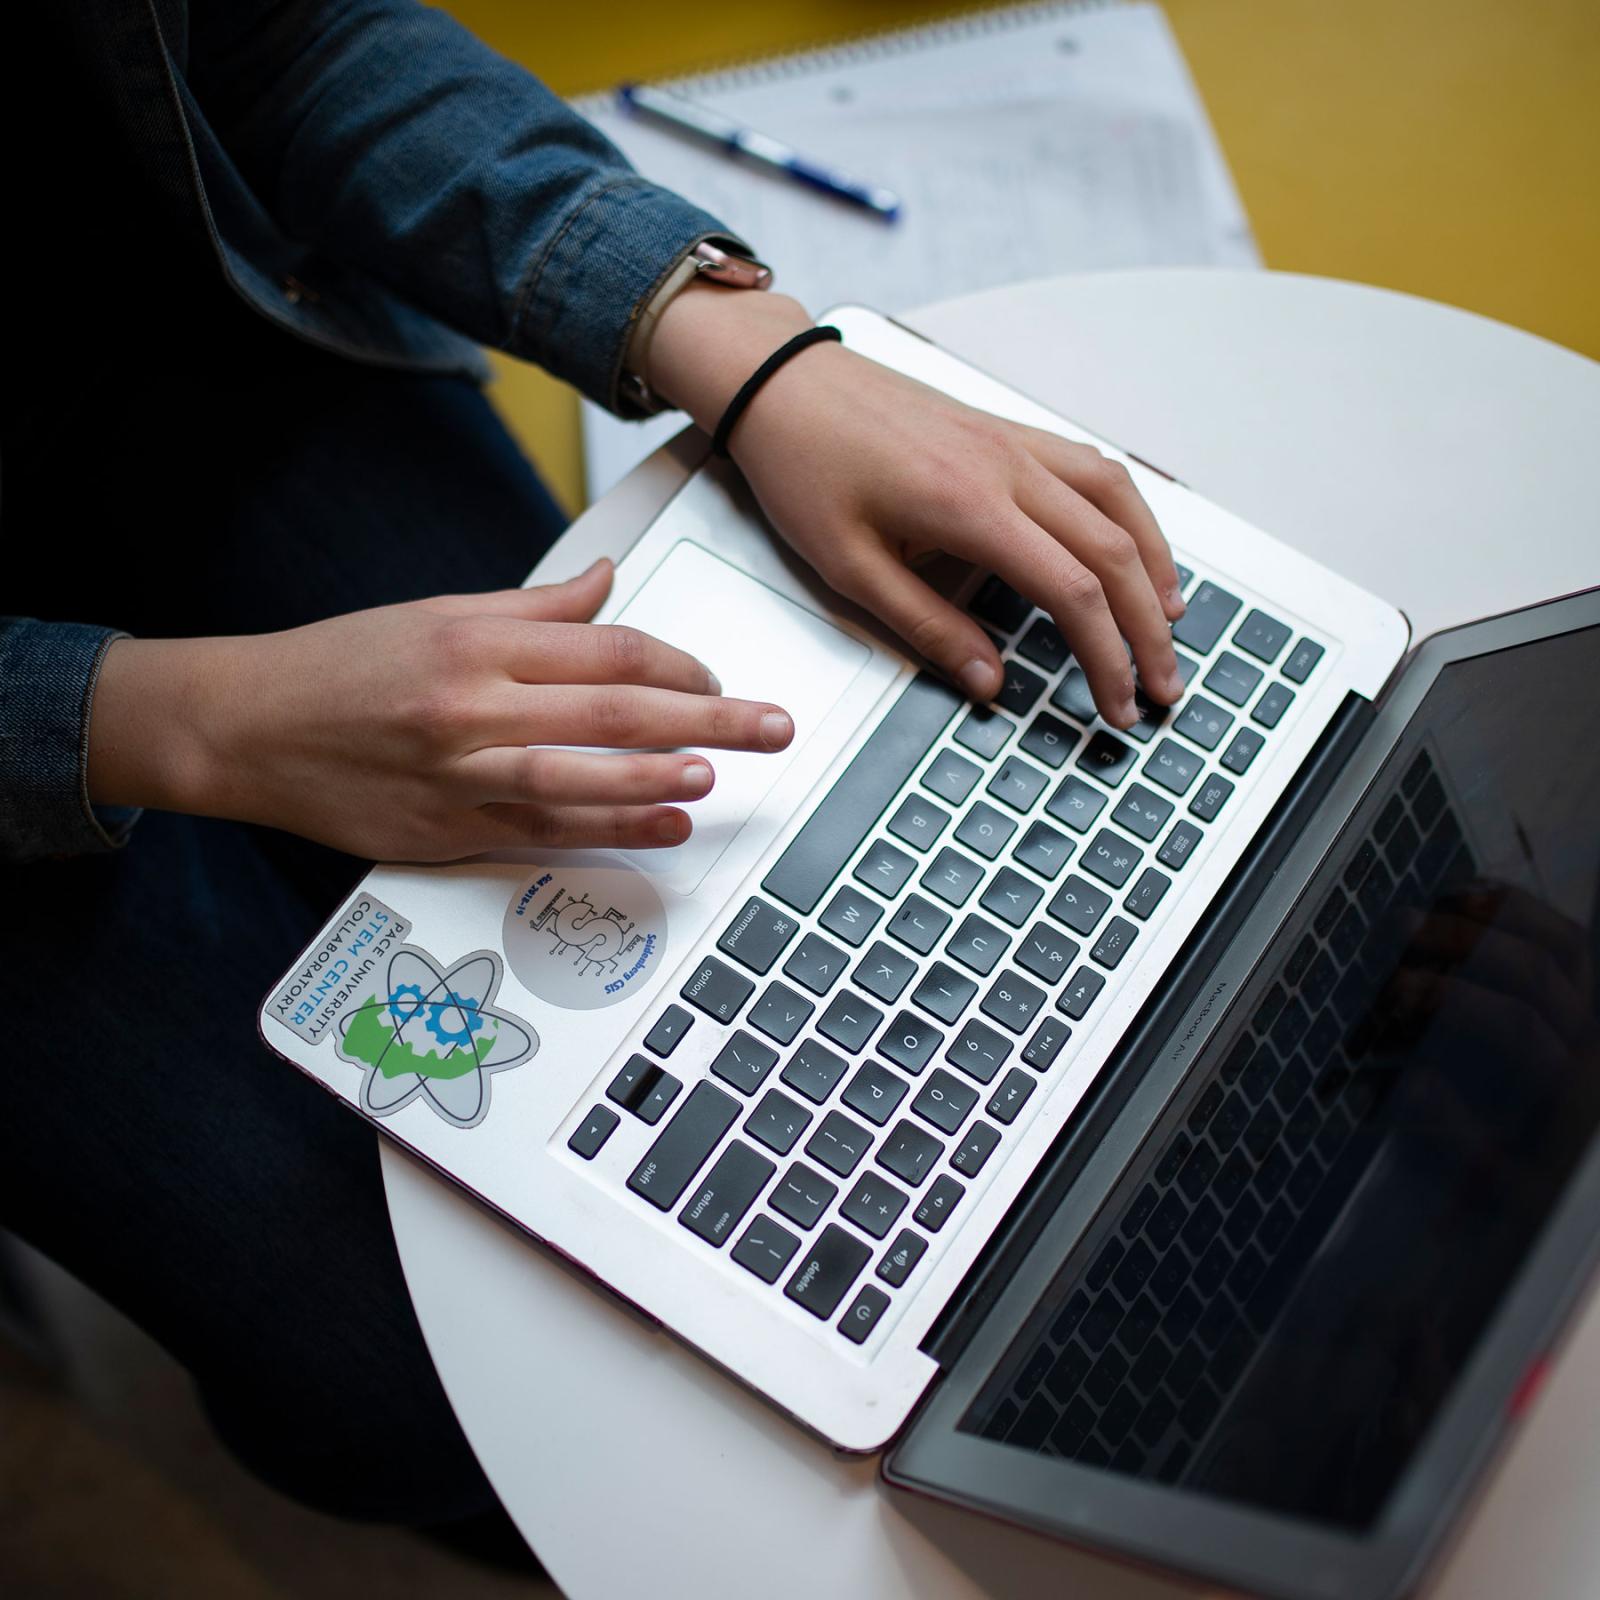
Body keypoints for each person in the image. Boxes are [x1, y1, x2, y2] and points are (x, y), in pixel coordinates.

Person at [0, 0, 1187, 1551]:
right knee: (390, 1363)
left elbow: (275, 40)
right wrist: (185, 723)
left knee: (726, 916)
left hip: (205, 326)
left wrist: (756, 357)